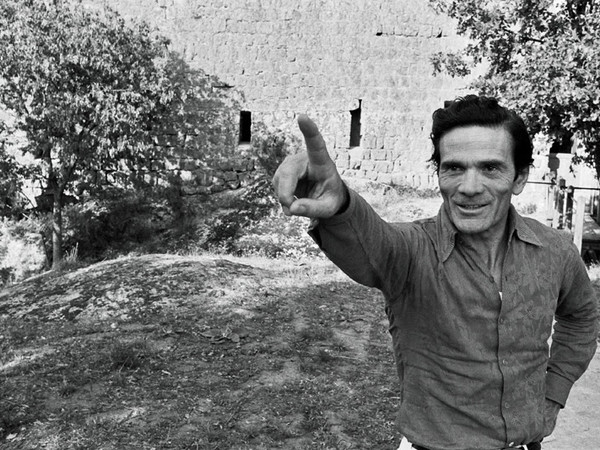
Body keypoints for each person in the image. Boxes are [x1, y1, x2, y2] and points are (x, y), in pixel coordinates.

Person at [272, 95, 598, 450]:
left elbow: (581, 316)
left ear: (519, 178)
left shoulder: (555, 251)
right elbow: (371, 246)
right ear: (439, 173)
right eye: (454, 167)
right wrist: (340, 207)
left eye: (490, 168)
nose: (469, 187)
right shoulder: (411, 251)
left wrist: (555, 392)